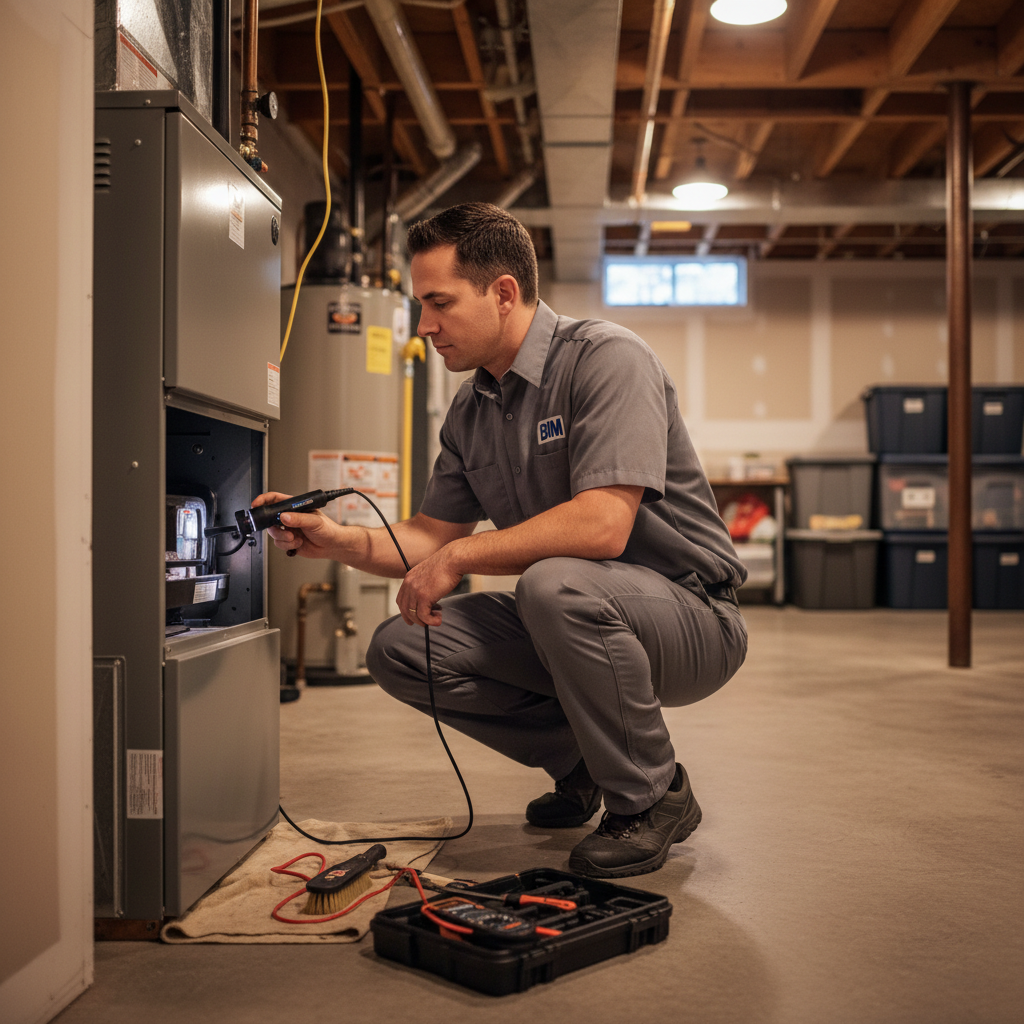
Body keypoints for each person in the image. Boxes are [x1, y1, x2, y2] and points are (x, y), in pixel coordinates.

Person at [255, 203, 748, 879]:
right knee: (401, 644)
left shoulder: (606, 359)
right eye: (419, 305)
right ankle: (585, 762)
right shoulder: (472, 408)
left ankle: (654, 796)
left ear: (504, 293)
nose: (424, 326)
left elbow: (603, 526)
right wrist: (335, 539)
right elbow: (430, 533)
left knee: (554, 582)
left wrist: (458, 557)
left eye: (438, 303)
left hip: (694, 618)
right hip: (575, 615)